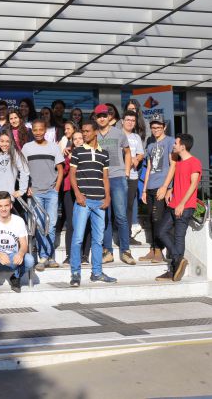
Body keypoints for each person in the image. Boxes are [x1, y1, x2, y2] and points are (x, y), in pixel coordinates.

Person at [69, 120, 117, 287]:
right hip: (83, 201)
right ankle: (75, 273)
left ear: (95, 132)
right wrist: (77, 194)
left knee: (98, 240)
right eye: (83, 131)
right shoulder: (77, 151)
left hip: (100, 202)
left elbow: (105, 178)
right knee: (77, 239)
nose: (84, 134)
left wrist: (108, 197)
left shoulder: (104, 153)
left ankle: (97, 273)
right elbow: (72, 174)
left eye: (87, 131)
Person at [156, 134, 201, 282]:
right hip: (173, 204)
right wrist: (171, 190)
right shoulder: (179, 163)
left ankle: (174, 271)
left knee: (178, 237)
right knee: (161, 231)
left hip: (185, 206)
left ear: (183, 146)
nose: (173, 145)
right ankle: (178, 258)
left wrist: (182, 203)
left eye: (175, 143)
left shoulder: (194, 162)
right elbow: (180, 182)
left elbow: (193, 184)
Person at [22, 119, 64, 270]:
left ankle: (50, 256)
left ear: (45, 130)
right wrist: (27, 187)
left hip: (51, 192)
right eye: (35, 130)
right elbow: (23, 170)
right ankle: (43, 256)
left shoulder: (54, 147)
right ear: (32, 131)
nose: (38, 132)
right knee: (39, 225)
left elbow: (60, 170)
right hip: (35, 193)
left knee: (51, 225)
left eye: (41, 129)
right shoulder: (27, 148)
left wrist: (57, 188)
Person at [95, 103, 134, 265]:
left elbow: (128, 152)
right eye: (99, 116)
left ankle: (125, 251)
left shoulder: (119, 133)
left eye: (104, 115)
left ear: (109, 116)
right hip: (100, 180)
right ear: (95, 118)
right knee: (105, 217)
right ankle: (108, 252)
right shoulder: (93, 135)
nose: (102, 118)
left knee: (121, 216)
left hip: (118, 177)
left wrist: (126, 172)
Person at [0, 191, 35, 293]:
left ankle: (15, 277)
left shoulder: (19, 221)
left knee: (29, 260)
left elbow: (24, 244)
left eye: (6, 205)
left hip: (12, 256)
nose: (3, 209)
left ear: (11, 205)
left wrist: (20, 254)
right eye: (0, 206)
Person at [141, 114, 176, 263]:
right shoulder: (150, 145)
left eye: (159, 127)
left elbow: (173, 165)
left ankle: (158, 250)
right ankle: (153, 248)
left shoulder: (170, 141)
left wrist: (166, 187)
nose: (156, 130)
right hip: (150, 186)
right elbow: (148, 168)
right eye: (153, 127)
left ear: (164, 127)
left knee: (157, 219)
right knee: (150, 219)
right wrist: (144, 189)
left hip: (161, 186)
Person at [61, 131, 91, 266]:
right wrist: (69, 159)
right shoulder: (68, 153)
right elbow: (63, 171)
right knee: (71, 222)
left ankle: (85, 255)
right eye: (75, 139)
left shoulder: (90, 152)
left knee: (86, 222)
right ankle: (69, 255)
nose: (78, 140)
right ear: (72, 141)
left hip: (86, 190)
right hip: (69, 190)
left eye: (80, 138)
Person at [0, 130, 29, 220]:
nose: (4, 144)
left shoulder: (14, 154)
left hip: (5, 196)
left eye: (7, 141)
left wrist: (22, 190)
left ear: (11, 142)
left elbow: (25, 171)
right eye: (2, 141)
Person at [121, 110, 145, 245]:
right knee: (118, 206)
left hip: (133, 176)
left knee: (129, 206)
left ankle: (128, 235)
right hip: (118, 176)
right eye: (128, 120)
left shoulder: (136, 137)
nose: (130, 122)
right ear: (122, 121)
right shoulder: (117, 135)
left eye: (133, 120)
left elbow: (141, 154)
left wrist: (137, 158)